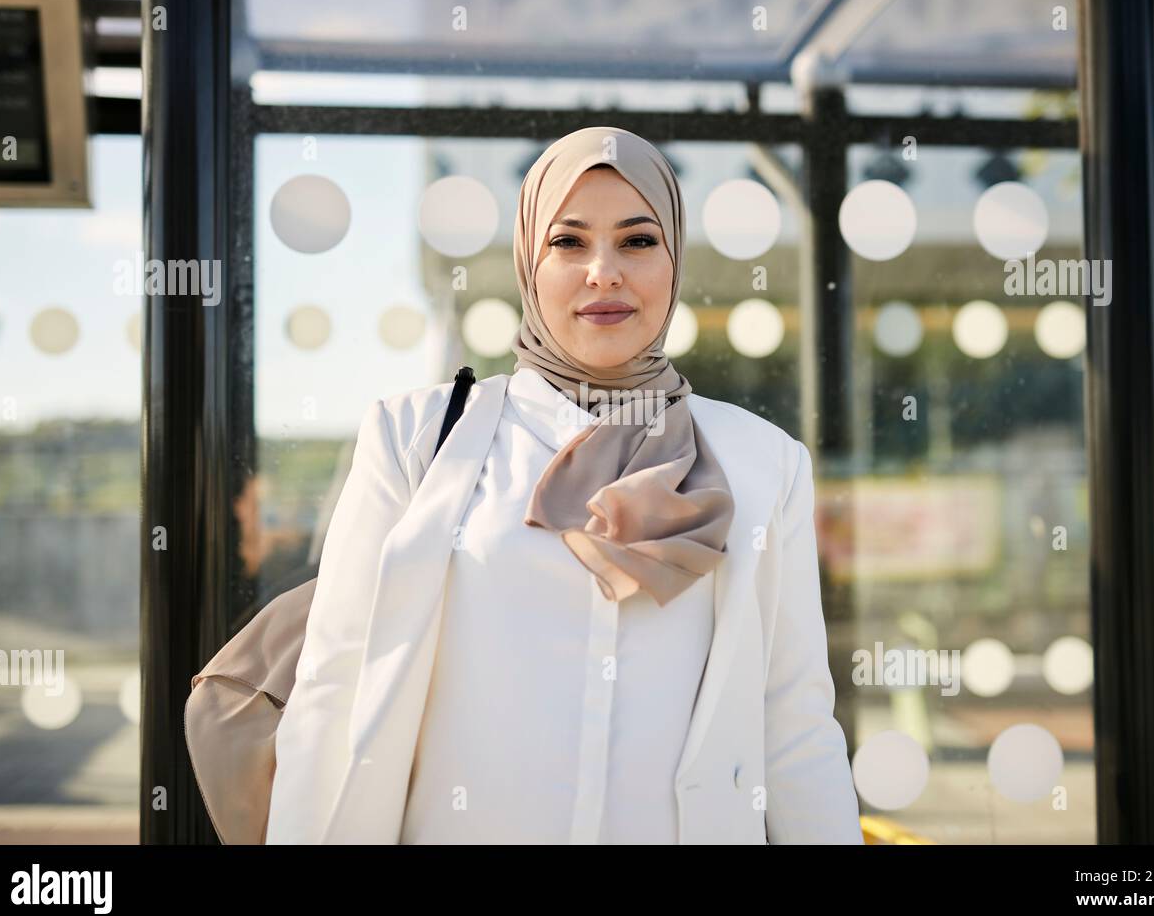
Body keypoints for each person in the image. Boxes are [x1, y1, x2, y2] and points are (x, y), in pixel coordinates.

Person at [265, 125, 863, 845]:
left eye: (638, 241)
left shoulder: (765, 463)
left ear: (674, 261)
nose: (604, 272)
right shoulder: (417, 440)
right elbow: (333, 697)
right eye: (569, 242)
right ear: (528, 261)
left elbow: (795, 724)